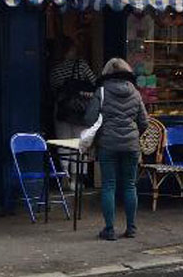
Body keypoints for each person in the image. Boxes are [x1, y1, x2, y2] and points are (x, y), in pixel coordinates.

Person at [83, 57, 147, 241]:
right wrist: (132, 135)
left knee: (109, 185)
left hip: (108, 144)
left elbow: (89, 119)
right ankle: (131, 228)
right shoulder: (135, 92)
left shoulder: (101, 92)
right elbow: (143, 122)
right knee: (129, 185)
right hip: (131, 145)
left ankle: (109, 229)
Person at [50, 36, 97, 183]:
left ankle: (64, 174)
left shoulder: (54, 70)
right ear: (71, 49)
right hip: (80, 109)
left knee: (63, 142)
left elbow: (52, 90)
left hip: (62, 110)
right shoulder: (81, 65)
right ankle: (77, 179)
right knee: (79, 143)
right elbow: (95, 82)